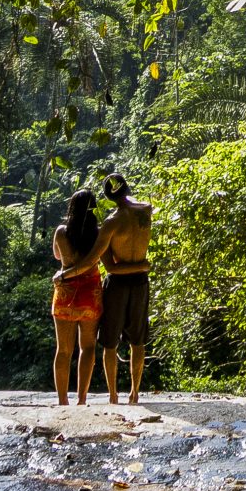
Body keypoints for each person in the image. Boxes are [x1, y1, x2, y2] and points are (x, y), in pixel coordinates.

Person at [89, 171, 154, 404]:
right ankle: (134, 392)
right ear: (127, 190)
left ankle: (114, 395)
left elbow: (110, 268)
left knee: (110, 341)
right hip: (139, 281)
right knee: (137, 340)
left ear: (108, 197)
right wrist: (142, 265)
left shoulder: (111, 223)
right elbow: (140, 202)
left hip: (118, 284)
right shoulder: (145, 211)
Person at [48, 188, 105, 406]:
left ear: (72, 207)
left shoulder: (61, 232)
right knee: (87, 347)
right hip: (91, 295)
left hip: (65, 293)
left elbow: (56, 255)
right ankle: (81, 399)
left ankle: (62, 401)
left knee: (63, 350)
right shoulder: (98, 234)